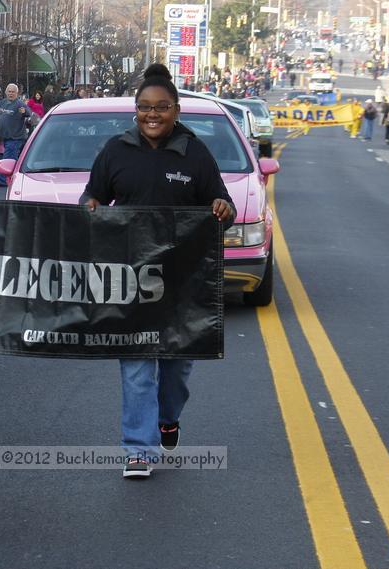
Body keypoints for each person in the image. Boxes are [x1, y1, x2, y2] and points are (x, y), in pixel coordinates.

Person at [81, 63, 235, 479]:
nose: (153, 115)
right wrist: (89, 208)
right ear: (136, 110)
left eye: (161, 107)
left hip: (183, 282)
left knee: (175, 369)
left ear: (176, 110)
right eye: (145, 107)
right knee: (135, 363)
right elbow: (92, 197)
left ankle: (168, 419)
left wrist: (223, 209)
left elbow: (224, 206)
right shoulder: (116, 151)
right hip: (131, 279)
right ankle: (138, 449)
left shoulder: (194, 153)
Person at [0, 83, 29, 188]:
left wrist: (25, 112)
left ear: (17, 93)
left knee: (8, 158)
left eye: (13, 92)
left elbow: (28, 112)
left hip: (15, 137)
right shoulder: (2, 103)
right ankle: (15, 179)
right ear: (6, 92)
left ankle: (4, 180)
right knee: (12, 159)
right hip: (5, 137)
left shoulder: (19, 104)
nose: (10, 93)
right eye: (9, 91)